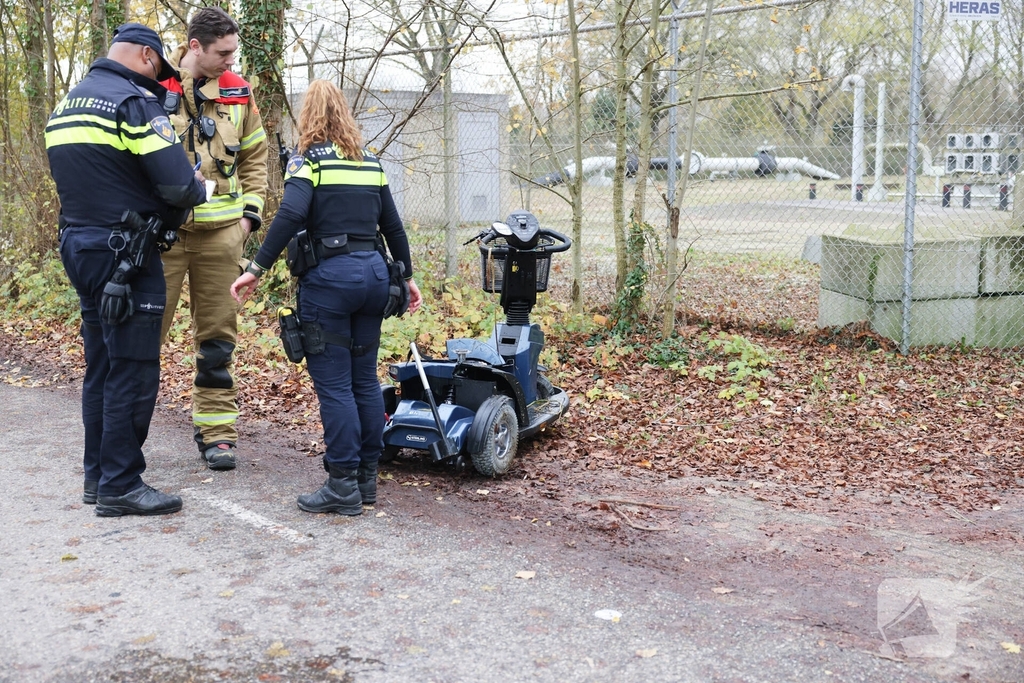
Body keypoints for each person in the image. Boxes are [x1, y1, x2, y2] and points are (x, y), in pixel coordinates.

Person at [230, 79, 423, 515]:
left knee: (335, 386)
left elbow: (291, 215)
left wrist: (255, 268)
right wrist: (407, 276)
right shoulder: (370, 163)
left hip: (331, 283)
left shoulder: (307, 162)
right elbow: (393, 227)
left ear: (308, 118)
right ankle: (365, 481)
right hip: (375, 279)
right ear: (345, 116)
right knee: (363, 381)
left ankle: (341, 485)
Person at [45, 23, 207, 517]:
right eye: (156, 69)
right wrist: (198, 186)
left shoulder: (65, 106)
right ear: (144, 55)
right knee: (133, 369)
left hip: (81, 247)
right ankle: (121, 482)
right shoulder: (132, 104)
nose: (155, 81)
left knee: (102, 365)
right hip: (128, 255)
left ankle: (98, 478)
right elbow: (179, 188)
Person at [159, 6, 269, 471]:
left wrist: (248, 220)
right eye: (223, 52)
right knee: (143, 339)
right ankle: (124, 437)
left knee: (218, 341)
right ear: (195, 47)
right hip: (163, 237)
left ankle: (218, 436)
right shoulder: (152, 88)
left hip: (221, 237)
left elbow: (257, 160)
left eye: (234, 51)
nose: (231, 60)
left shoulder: (240, 92)